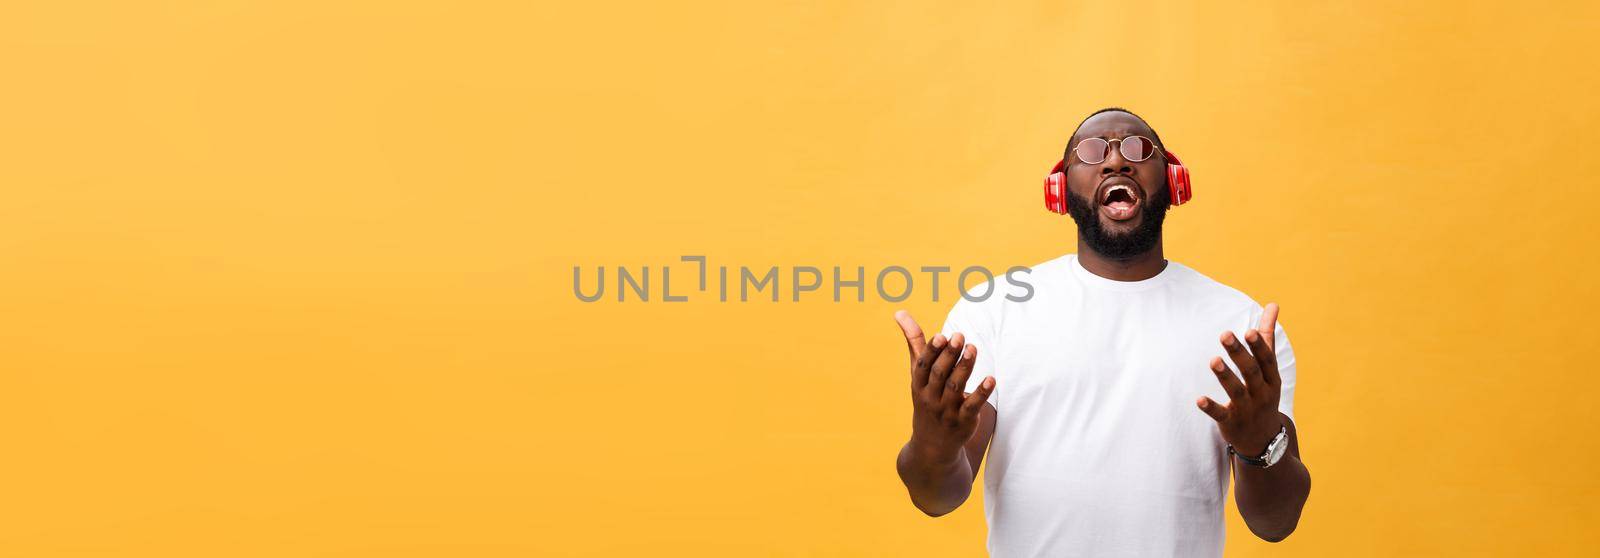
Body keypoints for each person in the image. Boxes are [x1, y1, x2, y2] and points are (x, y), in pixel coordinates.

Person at [892, 108, 1312, 557]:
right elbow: (937, 498)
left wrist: (1258, 445)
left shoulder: (1242, 327)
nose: (1116, 162)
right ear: (1060, 189)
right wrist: (932, 444)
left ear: (1173, 182)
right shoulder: (993, 311)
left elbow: (1276, 523)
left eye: (1138, 148)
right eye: (1092, 152)